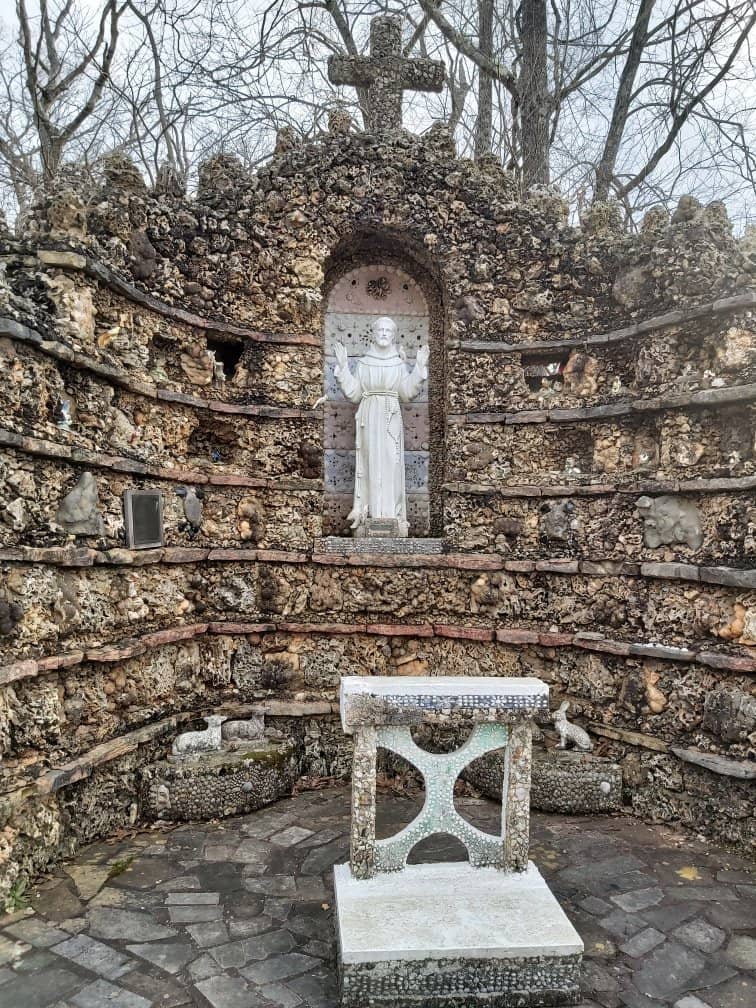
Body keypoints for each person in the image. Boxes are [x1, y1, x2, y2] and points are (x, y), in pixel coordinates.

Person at [333, 316, 429, 536]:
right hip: (368, 416)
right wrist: (343, 367)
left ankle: (391, 516)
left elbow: (405, 393)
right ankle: (369, 514)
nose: (384, 333)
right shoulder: (364, 363)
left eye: (388, 330)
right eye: (380, 330)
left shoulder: (398, 363)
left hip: (391, 416)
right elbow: (355, 393)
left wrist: (418, 369)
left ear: (393, 335)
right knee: (369, 462)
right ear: (373, 334)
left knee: (391, 463)